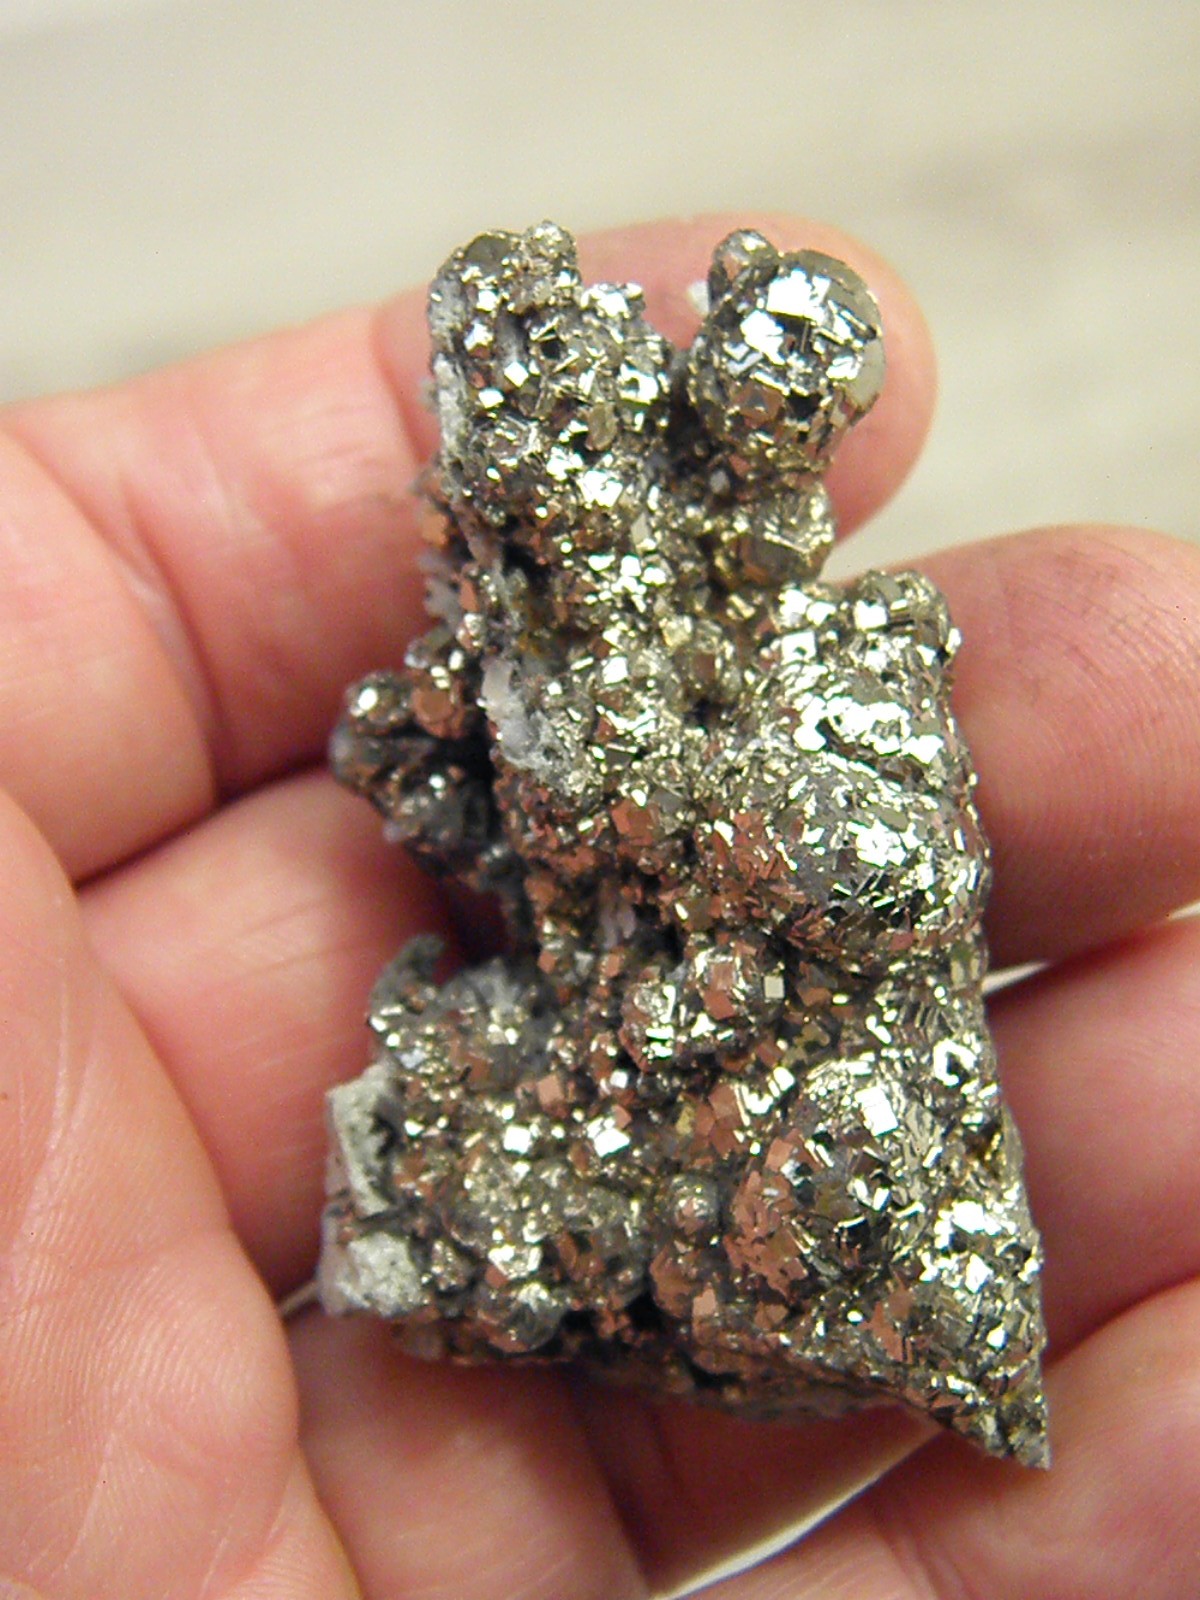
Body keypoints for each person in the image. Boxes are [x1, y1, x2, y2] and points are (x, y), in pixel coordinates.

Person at [0, 213, 1196, 1600]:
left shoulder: (823, 669)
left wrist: (667, 799)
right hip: (642, 1093)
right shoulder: (590, 642)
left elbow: (877, 875)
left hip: (758, 1131)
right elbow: (527, 791)